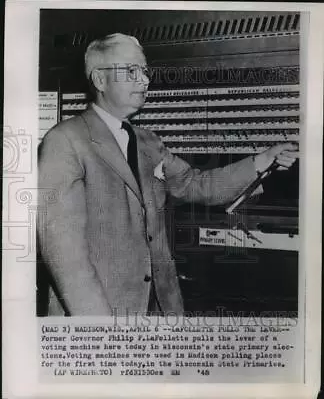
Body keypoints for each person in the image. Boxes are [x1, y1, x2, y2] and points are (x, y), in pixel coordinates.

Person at [37, 33, 298, 316]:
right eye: (131, 71)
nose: (145, 80)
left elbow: (196, 184)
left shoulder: (148, 142)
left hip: (159, 309)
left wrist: (263, 159)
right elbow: (64, 254)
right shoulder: (65, 141)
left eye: (145, 71)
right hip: (100, 315)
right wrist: (101, 332)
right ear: (100, 80)